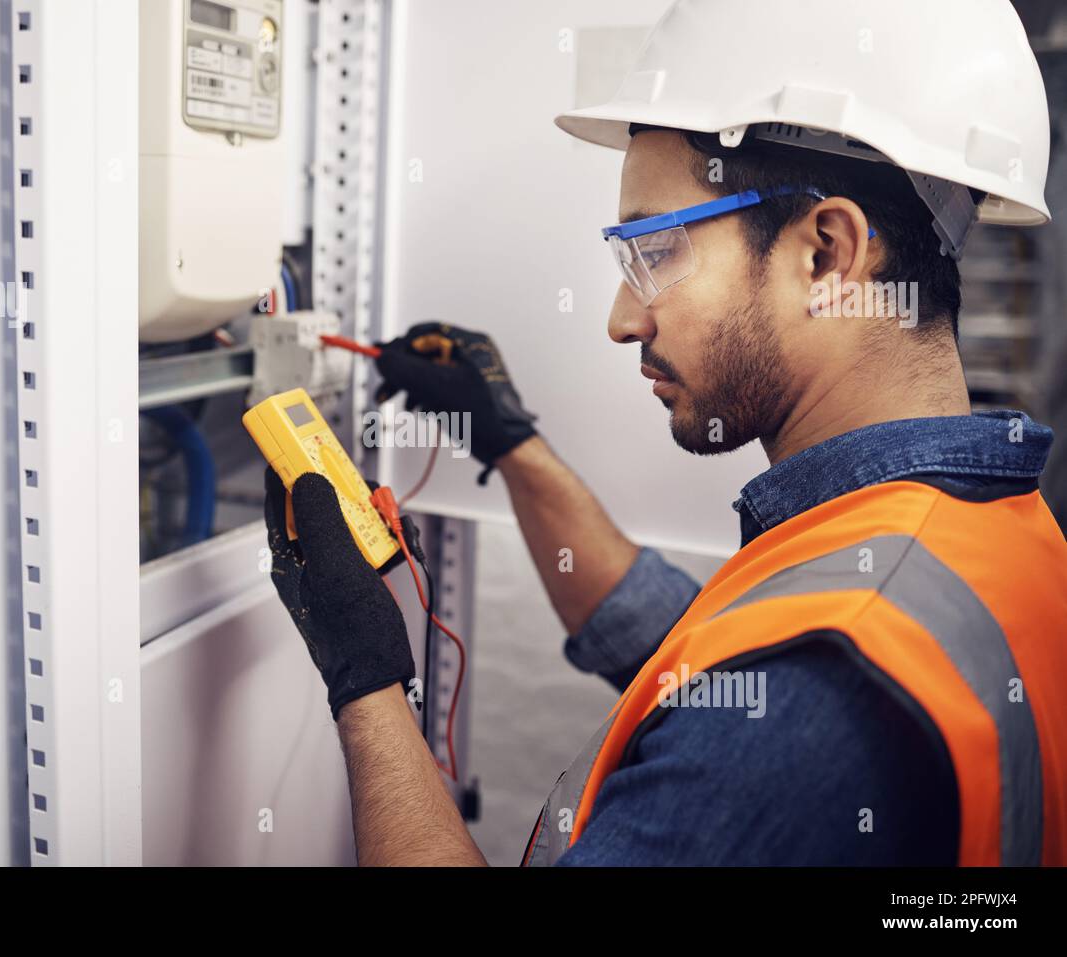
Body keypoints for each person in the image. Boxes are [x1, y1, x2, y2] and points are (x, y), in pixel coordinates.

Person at [263, 0, 1067, 865]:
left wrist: (365, 677)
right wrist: (510, 442)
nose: (620, 318)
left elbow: (769, 702)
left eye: (654, 251)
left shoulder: (822, 685)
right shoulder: (972, 535)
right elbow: (689, 647)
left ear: (828, 254)